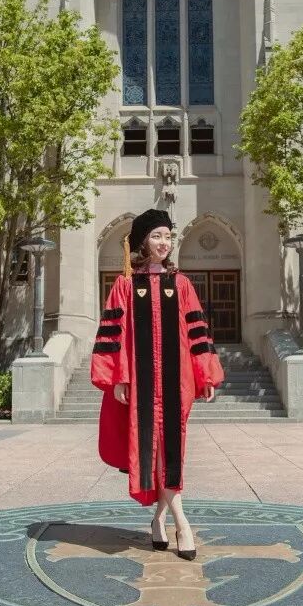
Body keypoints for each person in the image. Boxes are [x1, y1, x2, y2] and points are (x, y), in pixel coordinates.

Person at [90, 208, 225, 561]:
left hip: (176, 382)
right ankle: (182, 524)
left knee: (170, 452)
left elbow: (198, 334)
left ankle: (161, 521)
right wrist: (119, 376)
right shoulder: (124, 286)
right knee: (155, 455)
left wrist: (205, 374)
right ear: (141, 242)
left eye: (168, 236)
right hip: (141, 385)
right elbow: (113, 335)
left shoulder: (181, 285)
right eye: (157, 236)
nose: (164, 243)